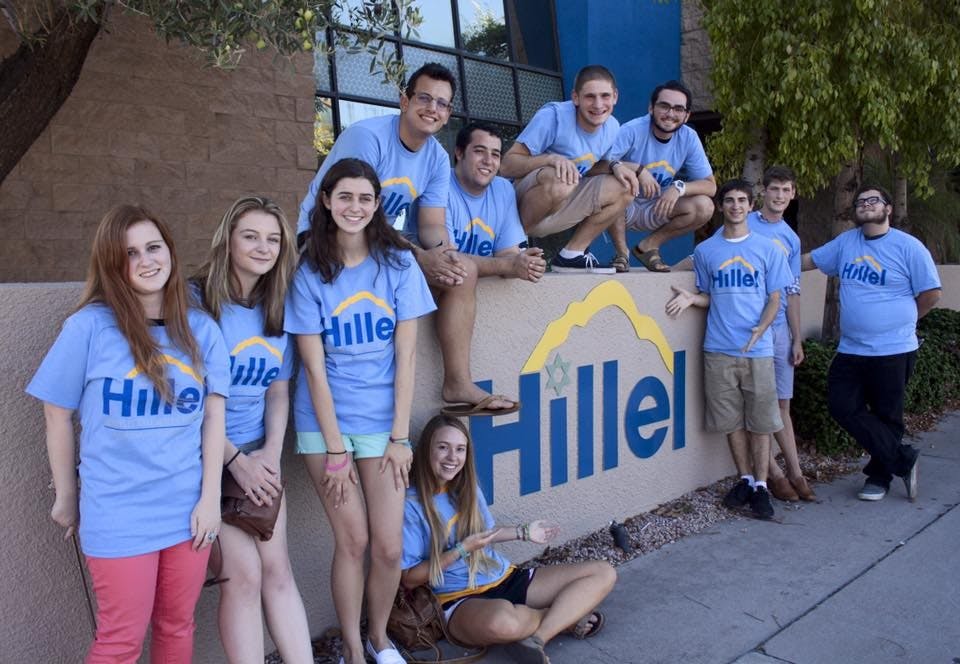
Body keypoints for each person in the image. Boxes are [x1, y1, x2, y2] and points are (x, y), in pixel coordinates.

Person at [27, 204, 230, 663]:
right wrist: (66, 496)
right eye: (129, 253)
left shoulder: (201, 331)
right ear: (112, 266)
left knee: (177, 627)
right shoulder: (89, 328)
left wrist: (209, 499)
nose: (145, 261)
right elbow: (56, 416)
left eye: (153, 247)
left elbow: (214, 418)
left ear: (170, 252)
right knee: (120, 641)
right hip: (116, 513)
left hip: (187, 512)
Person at [285, 158, 437, 664]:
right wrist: (334, 450)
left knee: (389, 546)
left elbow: (408, 355)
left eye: (365, 198)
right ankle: (353, 648)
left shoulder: (397, 263)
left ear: (378, 205)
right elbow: (312, 366)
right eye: (344, 196)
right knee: (353, 540)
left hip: (381, 423)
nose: (355, 207)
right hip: (324, 424)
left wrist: (399, 437)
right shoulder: (309, 270)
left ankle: (380, 638)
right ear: (326, 201)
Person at [191, 197, 313, 664]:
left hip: (254, 457)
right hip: (206, 458)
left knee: (277, 569)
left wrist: (268, 455)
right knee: (241, 575)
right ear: (228, 239)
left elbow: (277, 392)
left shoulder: (276, 307)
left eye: (273, 238)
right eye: (251, 235)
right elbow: (191, 401)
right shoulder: (198, 301)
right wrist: (235, 461)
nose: (263, 247)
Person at [401, 414, 616, 664]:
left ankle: (537, 638)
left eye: (460, 449)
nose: (452, 457)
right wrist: (461, 550)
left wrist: (524, 532)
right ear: (427, 449)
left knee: (602, 572)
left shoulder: (467, 489)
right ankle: (562, 617)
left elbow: (484, 535)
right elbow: (409, 578)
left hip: (503, 577)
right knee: (502, 623)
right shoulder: (411, 505)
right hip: (459, 599)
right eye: (443, 447)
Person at [801, 184, 941, 502]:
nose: (866, 204)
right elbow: (810, 260)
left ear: (888, 209)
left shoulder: (909, 247)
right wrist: (770, 259)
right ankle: (903, 459)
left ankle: (879, 478)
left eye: (874, 200)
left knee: (886, 415)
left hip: (894, 349)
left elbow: (931, 294)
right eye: (861, 201)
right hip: (851, 348)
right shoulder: (846, 243)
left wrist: (905, 320)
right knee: (841, 406)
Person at [666, 180, 792, 519]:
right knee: (731, 420)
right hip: (718, 348)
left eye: (742, 200)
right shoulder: (707, 251)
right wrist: (693, 298)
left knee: (762, 421)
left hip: (758, 350)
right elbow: (711, 295)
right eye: (730, 201)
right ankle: (746, 479)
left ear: (751, 205)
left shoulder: (769, 249)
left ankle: (763, 487)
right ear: (721, 207)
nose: (736, 206)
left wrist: (761, 327)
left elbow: (776, 298)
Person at [407, 122, 546, 416]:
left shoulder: (503, 190)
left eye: (496, 155)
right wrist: (508, 264)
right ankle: (457, 383)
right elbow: (449, 259)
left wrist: (522, 262)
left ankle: (460, 383)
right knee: (463, 271)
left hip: (454, 280)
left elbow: (509, 256)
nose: (489, 161)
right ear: (459, 153)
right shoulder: (439, 182)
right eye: (479, 152)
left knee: (467, 270)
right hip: (415, 270)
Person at [297, 62, 468, 289]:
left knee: (461, 276)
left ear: (448, 114)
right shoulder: (368, 138)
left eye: (441, 103)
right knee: (396, 267)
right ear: (404, 101)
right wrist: (419, 256)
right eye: (424, 98)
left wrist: (444, 255)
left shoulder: (438, 158)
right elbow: (353, 211)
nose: (432, 108)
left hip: (380, 240)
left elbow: (432, 225)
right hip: (328, 231)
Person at [500, 65, 636, 273]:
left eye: (605, 96)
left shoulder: (613, 127)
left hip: (561, 203)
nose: (598, 104)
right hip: (519, 206)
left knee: (625, 186)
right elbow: (507, 165)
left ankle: (572, 254)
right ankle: (512, 245)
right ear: (575, 98)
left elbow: (590, 168)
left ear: (615, 96)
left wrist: (616, 166)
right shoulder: (553, 117)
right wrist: (551, 159)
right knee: (562, 179)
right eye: (590, 96)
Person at [744, 166, 816, 502]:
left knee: (782, 402)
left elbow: (793, 291)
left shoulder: (790, 237)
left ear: (793, 194)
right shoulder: (745, 222)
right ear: (764, 192)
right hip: (750, 325)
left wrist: (796, 336)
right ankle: (772, 472)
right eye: (775, 189)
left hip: (780, 329)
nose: (780, 196)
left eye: (786, 190)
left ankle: (796, 472)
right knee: (757, 400)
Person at [597, 80, 716, 272]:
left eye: (678, 109)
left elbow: (710, 186)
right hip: (624, 206)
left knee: (704, 206)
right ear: (651, 108)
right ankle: (621, 253)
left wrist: (679, 187)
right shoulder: (632, 130)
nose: (670, 114)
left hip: (658, 206)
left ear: (686, 116)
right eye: (664, 106)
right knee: (614, 181)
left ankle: (649, 245)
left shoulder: (688, 137)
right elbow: (599, 165)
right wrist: (637, 169)